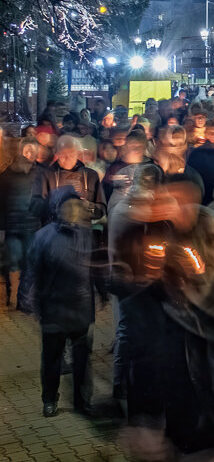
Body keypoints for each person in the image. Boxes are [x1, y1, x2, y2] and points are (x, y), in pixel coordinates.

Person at [27, 187, 105, 418]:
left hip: (79, 307)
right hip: (54, 308)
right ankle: (49, 398)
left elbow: (96, 270)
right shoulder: (43, 237)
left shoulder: (87, 235)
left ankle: (81, 400)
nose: (73, 210)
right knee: (52, 359)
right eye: (67, 205)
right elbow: (34, 273)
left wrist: (101, 292)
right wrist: (34, 303)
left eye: (75, 205)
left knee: (82, 361)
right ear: (57, 209)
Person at [0, 139, 42, 309]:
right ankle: (20, 300)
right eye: (27, 151)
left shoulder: (8, 174)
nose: (29, 154)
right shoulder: (8, 176)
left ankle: (20, 298)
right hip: (20, 226)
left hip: (25, 226)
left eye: (33, 151)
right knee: (20, 263)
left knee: (20, 264)